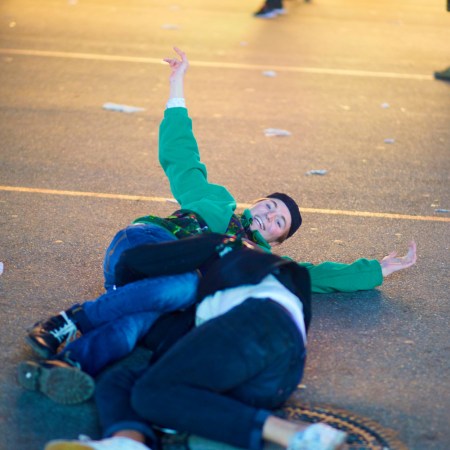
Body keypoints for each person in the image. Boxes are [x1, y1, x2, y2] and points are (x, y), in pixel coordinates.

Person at [18, 48, 417, 404]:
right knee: (186, 285)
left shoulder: (257, 258)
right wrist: (177, 85)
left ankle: (62, 365)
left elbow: (313, 277)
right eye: (271, 206)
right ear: (257, 202)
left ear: (277, 240)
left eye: (279, 222)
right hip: (145, 247)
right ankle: (67, 322)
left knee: (136, 326)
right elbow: (182, 157)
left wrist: (376, 270)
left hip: (148, 290)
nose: (270, 216)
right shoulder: (216, 203)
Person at [44, 233, 347, 450]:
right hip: (266, 377)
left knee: (152, 391)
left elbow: (138, 259)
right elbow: (162, 351)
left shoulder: (223, 245)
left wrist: (119, 293)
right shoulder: (198, 308)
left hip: (262, 321)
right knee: (122, 381)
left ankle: (295, 435)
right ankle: (127, 441)